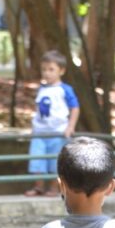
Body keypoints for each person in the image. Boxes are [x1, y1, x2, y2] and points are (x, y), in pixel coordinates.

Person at [25, 50, 80, 197]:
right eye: (44, 69)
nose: (47, 73)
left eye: (51, 70)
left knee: (56, 161)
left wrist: (70, 126)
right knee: (37, 159)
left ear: (61, 71)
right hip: (40, 131)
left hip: (58, 131)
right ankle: (38, 187)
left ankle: (54, 188)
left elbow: (75, 107)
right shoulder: (42, 89)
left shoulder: (65, 89)